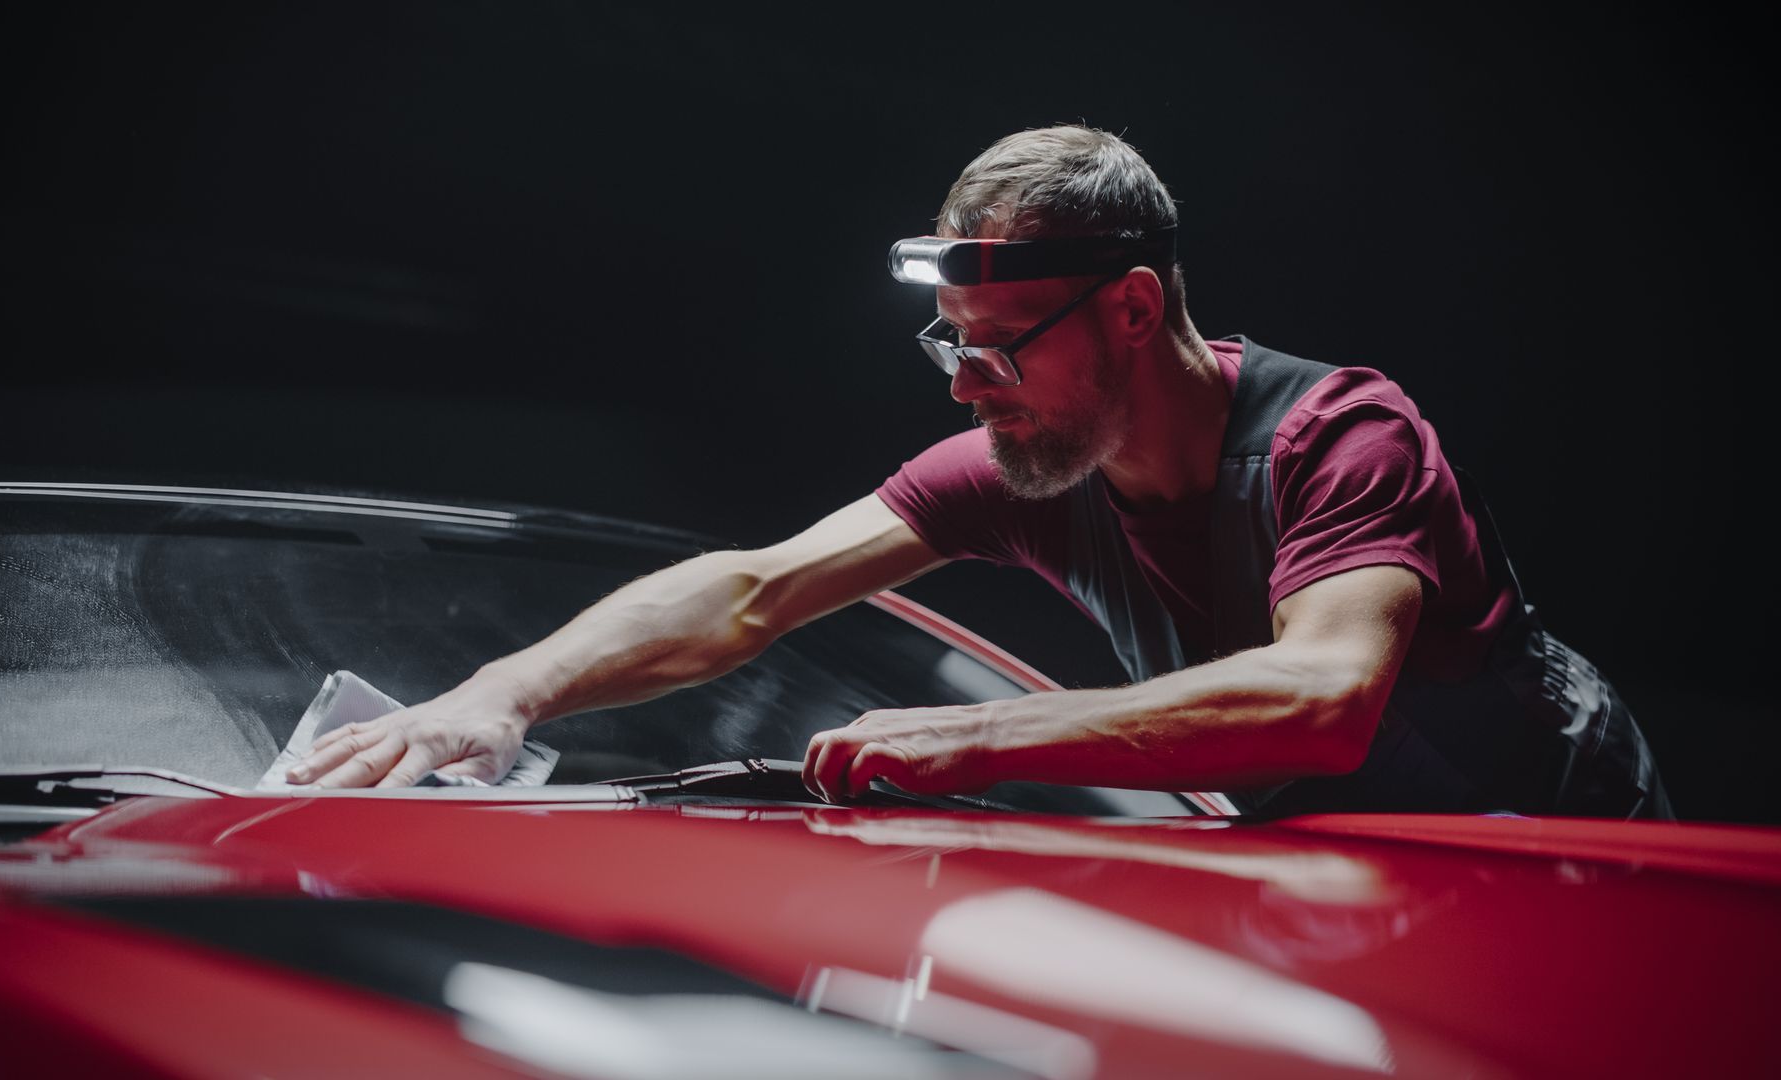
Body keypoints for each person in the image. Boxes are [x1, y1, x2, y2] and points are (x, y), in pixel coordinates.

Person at [290, 124, 1670, 818]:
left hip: (1557, 840)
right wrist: (496, 695)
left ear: (1134, 310)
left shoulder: (1343, 439)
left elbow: (1321, 699)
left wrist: (979, 737)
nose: (963, 384)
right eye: (945, 343)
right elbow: (754, 592)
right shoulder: (1025, 460)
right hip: (1328, 863)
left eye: (1000, 347)